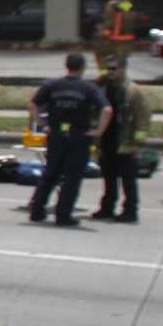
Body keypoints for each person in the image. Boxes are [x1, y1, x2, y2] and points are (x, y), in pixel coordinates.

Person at [28, 51, 112, 227]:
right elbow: (107, 110)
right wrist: (98, 131)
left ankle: (37, 211)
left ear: (67, 65)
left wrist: (42, 124)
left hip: (57, 135)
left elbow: (33, 103)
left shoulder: (52, 85)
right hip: (78, 137)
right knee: (72, 178)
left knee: (50, 174)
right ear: (82, 67)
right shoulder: (88, 88)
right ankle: (63, 215)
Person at [91, 59, 148, 223]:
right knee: (108, 177)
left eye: (113, 69)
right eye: (107, 69)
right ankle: (107, 208)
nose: (110, 72)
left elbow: (142, 117)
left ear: (123, 69)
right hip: (106, 140)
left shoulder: (132, 90)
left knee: (128, 179)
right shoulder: (103, 88)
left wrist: (138, 144)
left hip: (125, 141)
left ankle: (130, 210)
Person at [97, 0, 137, 65]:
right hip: (123, 37)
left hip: (117, 37)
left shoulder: (114, 4)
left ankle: (113, 75)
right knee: (119, 60)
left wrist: (104, 31)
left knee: (114, 60)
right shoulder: (121, 2)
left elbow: (110, 20)